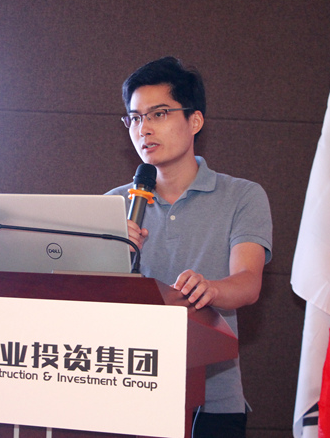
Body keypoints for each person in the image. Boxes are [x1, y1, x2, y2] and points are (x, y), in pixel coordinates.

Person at [105, 56, 273, 438]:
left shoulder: (242, 196)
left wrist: (211, 289)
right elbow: (89, 298)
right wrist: (113, 256)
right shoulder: (113, 204)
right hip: (128, 391)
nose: (144, 128)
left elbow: (248, 282)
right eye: (135, 118)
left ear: (195, 120)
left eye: (159, 114)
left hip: (213, 402)